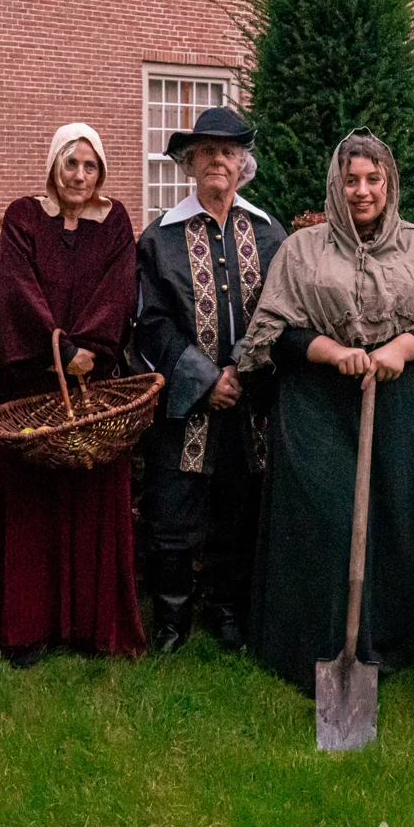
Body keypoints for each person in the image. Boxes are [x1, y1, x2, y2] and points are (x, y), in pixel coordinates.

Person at [235, 130, 414, 693]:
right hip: (316, 403)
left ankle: (378, 644)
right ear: (336, 185)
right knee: (325, 520)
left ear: (389, 183)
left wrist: (398, 350)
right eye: (351, 180)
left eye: (373, 179)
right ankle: (308, 646)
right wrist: (334, 352)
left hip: (393, 403)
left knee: (389, 517)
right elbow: (276, 334)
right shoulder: (302, 249)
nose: (362, 191)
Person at [0, 123, 146, 663]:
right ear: (53, 165)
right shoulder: (24, 216)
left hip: (93, 383)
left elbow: (119, 288)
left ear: (101, 172)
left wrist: (90, 347)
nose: (79, 175)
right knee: (31, 506)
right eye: (70, 163)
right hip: (31, 380)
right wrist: (57, 347)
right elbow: (14, 289)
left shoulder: (115, 220)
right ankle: (28, 630)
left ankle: (91, 627)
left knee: (93, 501)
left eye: (90, 165)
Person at [131, 106, 287, 653]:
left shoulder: (269, 234)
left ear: (243, 163)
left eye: (228, 151)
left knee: (239, 509)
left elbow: (281, 309)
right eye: (206, 152)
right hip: (184, 403)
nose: (217, 160)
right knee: (172, 509)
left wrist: (241, 372)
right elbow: (150, 321)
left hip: (251, 403)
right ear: (189, 165)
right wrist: (203, 378)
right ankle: (172, 620)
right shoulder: (159, 240)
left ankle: (227, 611)